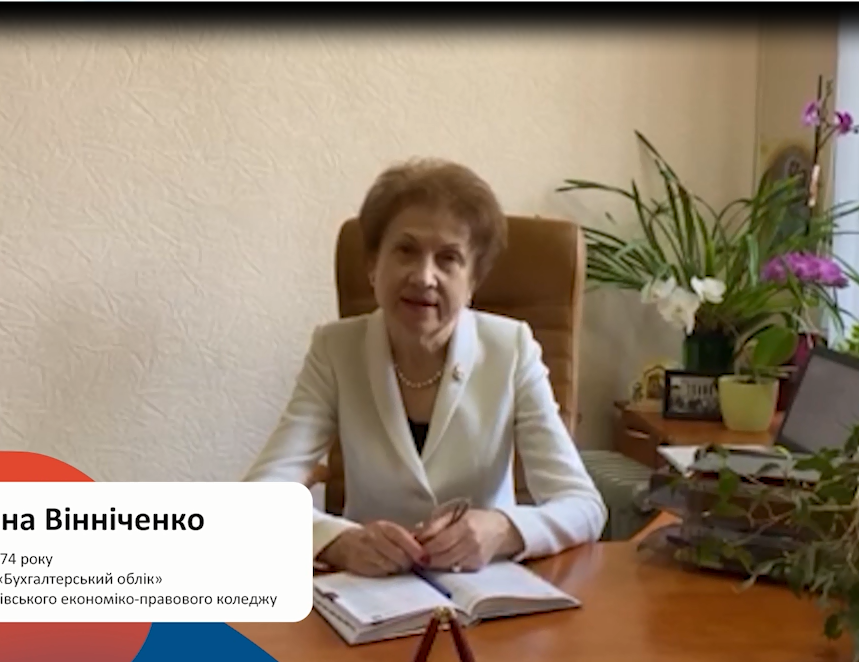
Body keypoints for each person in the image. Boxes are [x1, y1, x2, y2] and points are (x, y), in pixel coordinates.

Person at [243, 158, 607, 577]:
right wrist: (339, 542)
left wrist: (504, 529)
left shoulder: (511, 349)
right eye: (406, 250)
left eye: (448, 258)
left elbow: (584, 506)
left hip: (484, 591)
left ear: (473, 282)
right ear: (373, 265)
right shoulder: (335, 349)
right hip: (368, 592)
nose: (424, 277)